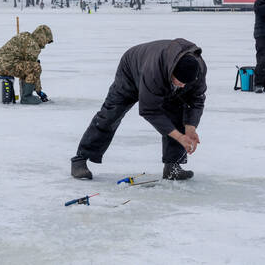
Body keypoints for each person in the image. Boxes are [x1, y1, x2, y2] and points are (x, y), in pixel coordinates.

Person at [71, 39, 206, 181]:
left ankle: (172, 167)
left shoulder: (198, 71)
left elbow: (196, 99)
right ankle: (80, 159)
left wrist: (190, 128)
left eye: (186, 83)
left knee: (177, 112)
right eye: (179, 82)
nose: (183, 86)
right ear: (171, 72)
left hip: (160, 74)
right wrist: (179, 137)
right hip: (131, 69)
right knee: (111, 113)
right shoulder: (154, 72)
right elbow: (149, 110)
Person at [0, 25, 54, 104]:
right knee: (35, 67)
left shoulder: (26, 36)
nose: (45, 44)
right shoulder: (33, 46)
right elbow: (34, 71)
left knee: (27, 67)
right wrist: (39, 91)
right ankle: (26, 97)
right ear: (42, 37)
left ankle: (24, 95)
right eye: (46, 41)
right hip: (8, 64)